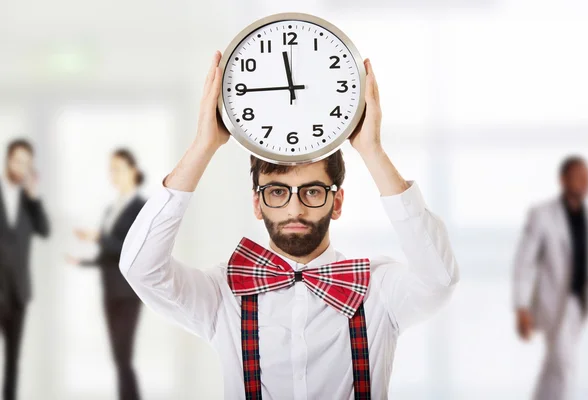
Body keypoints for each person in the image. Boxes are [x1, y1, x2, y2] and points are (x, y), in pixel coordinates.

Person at [119, 50, 460, 399]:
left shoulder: (379, 291)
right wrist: (203, 146)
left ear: (337, 202)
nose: (295, 208)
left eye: (312, 191)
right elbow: (140, 268)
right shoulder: (222, 294)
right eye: (278, 191)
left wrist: (372, 150)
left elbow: (439, 277)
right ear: (257, 202)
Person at [513, 156, 588, 400]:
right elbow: (524, 262)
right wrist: (521, 307)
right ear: (563, 179)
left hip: (579, 304)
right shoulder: (542, 215)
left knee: (555, 366)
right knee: (564, 365)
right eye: (579, 176)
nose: (585, 182)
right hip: (553, 302)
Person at [67, 149, 146, 400]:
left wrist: (98, 236)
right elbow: (108, 253)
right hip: (110, 288)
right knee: (118, 357)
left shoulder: (140, 207)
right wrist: (84, 262)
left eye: (118, 168)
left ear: (133, 171)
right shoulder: (111, 208)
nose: (113, 174)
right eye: (111, 169)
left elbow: (130, 249)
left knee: (123, 356)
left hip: (127, 291)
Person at [0, 138, 50, 400]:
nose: (21, 168)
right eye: (18, 161)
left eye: (27, 164)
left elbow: (44, 230)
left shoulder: (29, 202)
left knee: (12, 362)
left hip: (18, 293)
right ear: (8, 160)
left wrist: (34, 196)